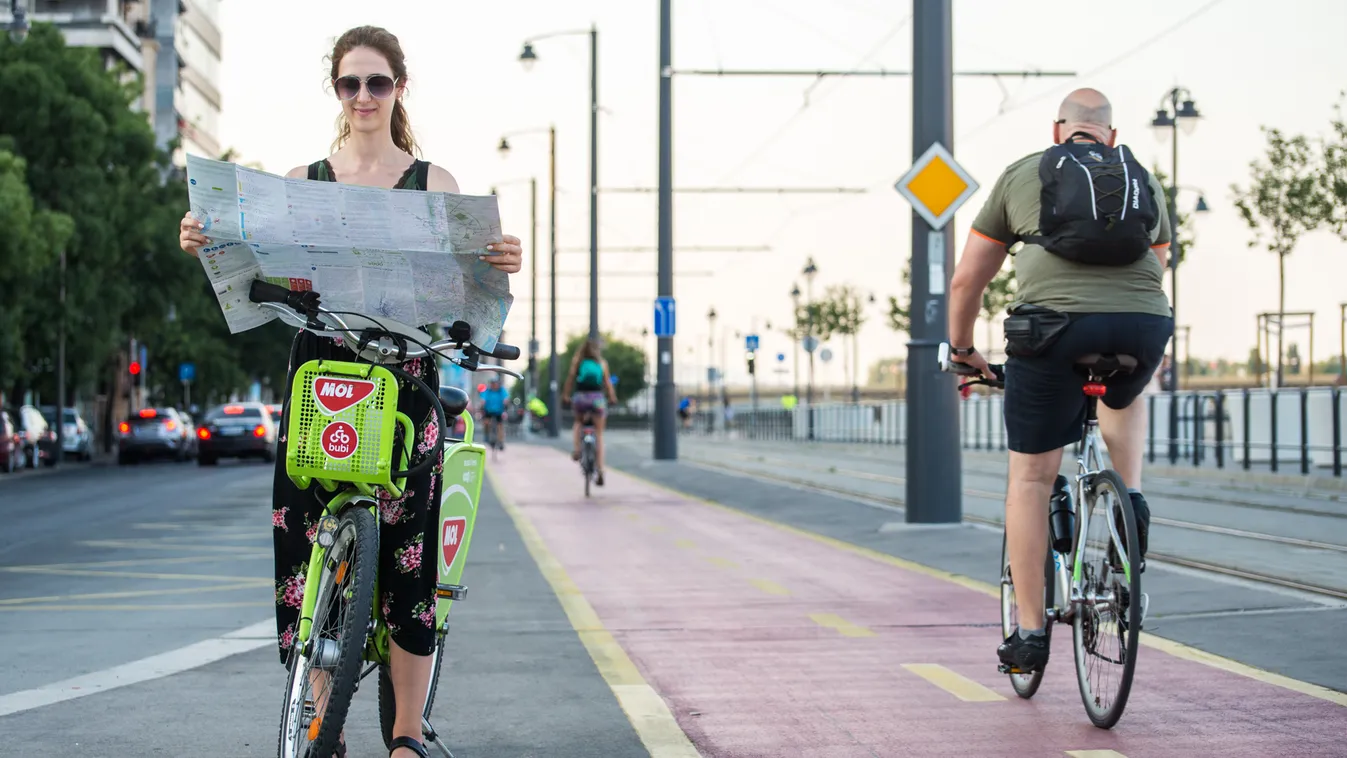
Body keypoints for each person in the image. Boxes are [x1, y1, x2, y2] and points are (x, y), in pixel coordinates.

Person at [178, 25, 523, 758]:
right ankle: (321, 722)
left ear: (399, 88)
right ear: (335, 91)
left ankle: (404, 735)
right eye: (349, 83)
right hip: (323, 370)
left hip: (405, 376)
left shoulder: (435, 183)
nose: (363, 96)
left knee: (409, 557)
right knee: (308, 547)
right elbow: (251, 265)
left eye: (377, 82)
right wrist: (204, 238)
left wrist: (500, 260)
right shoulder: (302, 182)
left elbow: (468, 289)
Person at [946, 88, 1173, 675]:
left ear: (1058, 131)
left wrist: (966, 351)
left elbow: (967, 281)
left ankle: (1028, 631)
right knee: (1125, 392)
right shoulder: (1141, 178)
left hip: (1050, 333)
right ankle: (1131, 499)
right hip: (1144, 325)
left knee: (1031, 477)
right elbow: (1158, 262)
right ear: (1111, 137)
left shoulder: (1023, 173)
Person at [562, 339, 618, 484]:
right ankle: (600, 469)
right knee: (598, 433)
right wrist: (612, 397)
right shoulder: (602, 363)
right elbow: (608, 383)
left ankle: (577, 451)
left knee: (578, 422)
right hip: (597, 398)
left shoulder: (578, 362)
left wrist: (566, 396)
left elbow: (570, 380)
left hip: (581, 398)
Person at [478, 377, 508, 448]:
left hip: (499, 411)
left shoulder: (502, 391)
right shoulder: (487, 391)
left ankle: (501, 441)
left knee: (500, 426)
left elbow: (506, 398)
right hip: (488, 411)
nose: (494, 385)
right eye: (492, 384)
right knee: (486, 423)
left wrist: (505, 403)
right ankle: (486, 435)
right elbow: (483, 399)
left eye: (495, 384)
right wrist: (482, 404)